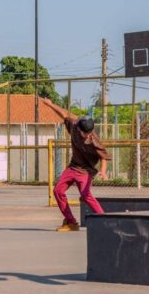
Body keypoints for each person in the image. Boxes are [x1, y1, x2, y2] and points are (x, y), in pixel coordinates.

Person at [44, 99, 111, 232]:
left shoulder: (94, 142)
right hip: (73, 167)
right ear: (79, 129)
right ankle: (71, 222)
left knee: (86, 195)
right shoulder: (73, 125)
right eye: (85, 133)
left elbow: (104, 157)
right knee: (57, 191)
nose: (87, 136)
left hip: (86, 171)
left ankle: (105, 221)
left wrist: (103, 172)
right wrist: (50, 104)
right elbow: (63, 113)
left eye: (89, 133)